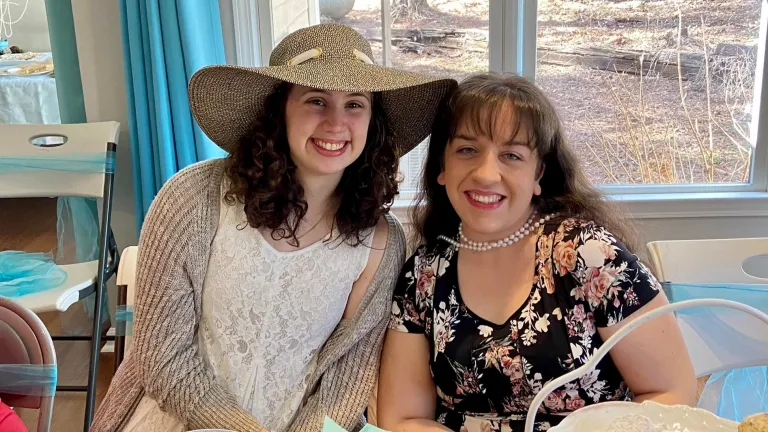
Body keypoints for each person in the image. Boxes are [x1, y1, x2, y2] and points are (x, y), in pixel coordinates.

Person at [91, 23, 455, 432]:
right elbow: (162, 359)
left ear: (374, 121)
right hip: (174, 419)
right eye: (316, 100)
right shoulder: (192, 198)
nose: (337, 124)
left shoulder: (382, 242)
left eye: (355, 104)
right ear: (278, 110)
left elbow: (346, 383)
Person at [376, 73, 697, 432]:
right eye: (467, 149)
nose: (486, 173)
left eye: (511, 155)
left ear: (538, 173)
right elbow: (403, 418)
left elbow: (672, 391)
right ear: (442, 167)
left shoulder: (591, 256)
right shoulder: (423, 274)